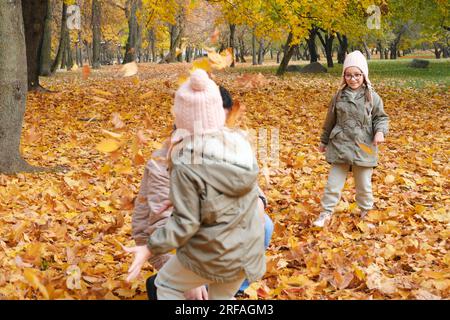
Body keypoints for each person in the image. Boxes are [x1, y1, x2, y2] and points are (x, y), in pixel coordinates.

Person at [126, 69, 266, 300]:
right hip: (218, 248)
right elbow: (159, 224)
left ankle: (205, 282)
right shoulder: (166, 161)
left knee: (168, 286)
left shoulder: (205, 152)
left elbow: (187, 222)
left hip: (208, 242)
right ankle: (204, 285)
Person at [313, 50, 389, 228]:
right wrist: (324, 141)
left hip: (364, 146)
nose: (353, 79)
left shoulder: (372, 97)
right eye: (348, 75)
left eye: (357, 75)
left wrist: (380, 132)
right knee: (333, 184)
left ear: (364, 75)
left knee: (364, 185)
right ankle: (326, 213)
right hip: (340, 145)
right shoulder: (338, 96)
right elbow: (329, 121)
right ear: (344, 75)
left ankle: (366, 213)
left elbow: (381, 118)